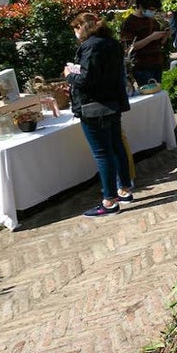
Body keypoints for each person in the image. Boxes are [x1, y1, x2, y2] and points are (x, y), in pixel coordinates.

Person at [65, 13, 135, 217]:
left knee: (103, 153)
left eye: (76, 28)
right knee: (117, 147)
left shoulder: (91, 46)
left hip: (94, 107)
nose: (75, 33)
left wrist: (69, 75)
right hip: (112, 103)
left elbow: (86, 78)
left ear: (81, 27)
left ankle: (109, 201)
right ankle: (124, 190)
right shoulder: (111, 43)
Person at [120, 0, 169, 85]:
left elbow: (160, 43)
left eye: (155, 10)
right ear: (141, 7)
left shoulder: (153, 21)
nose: (153, 12)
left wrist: (165, 36)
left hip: (156, 63)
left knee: (157, 91)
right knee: (147, 92)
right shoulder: (130, 22)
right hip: (141, 65)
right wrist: (151, 37)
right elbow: (129, 47)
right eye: (151, 9)